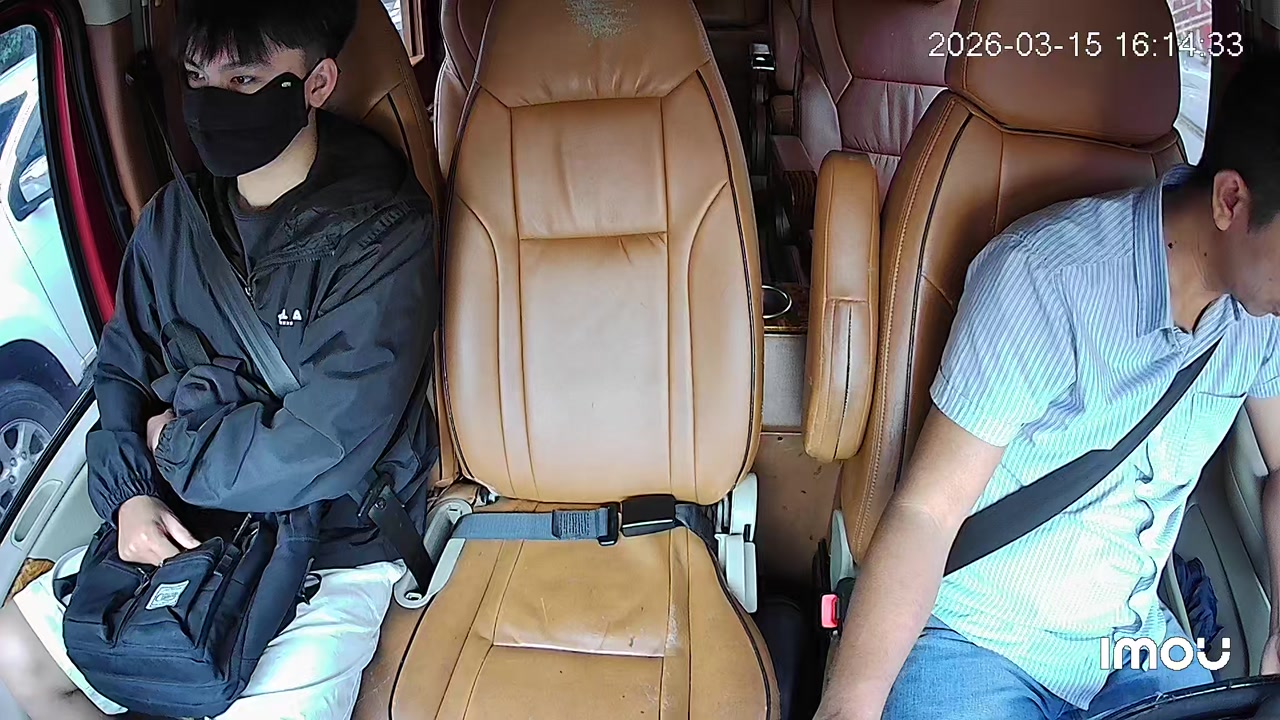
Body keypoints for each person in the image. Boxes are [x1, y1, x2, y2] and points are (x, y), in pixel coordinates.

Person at [0, 1, 439, 717]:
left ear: (317, 84)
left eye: (244, 80)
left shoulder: (381, 229)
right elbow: (121, 371)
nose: (209, 104)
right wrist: (130, 495)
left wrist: (173, 442)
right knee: (15, 648)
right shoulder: (172, 221)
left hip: (334, 538)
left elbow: (322, 443)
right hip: (190, 523)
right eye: (198, 78)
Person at [815, 53, 1280, 720]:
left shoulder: (1259, 315)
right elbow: (927, 512)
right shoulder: (1045, 277)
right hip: (981, 640)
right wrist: (850, 705)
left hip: (1132, 647)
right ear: (1231, 200)